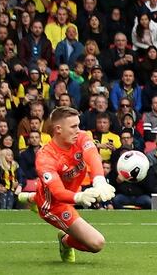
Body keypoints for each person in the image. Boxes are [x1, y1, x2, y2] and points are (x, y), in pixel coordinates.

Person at [17, 107, 115, 262]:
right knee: (97, 243)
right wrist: (79, 197)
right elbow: (57, 192)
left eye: (79, 125)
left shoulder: (81, 137)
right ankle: (64, 241)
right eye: (73, 127)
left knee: (45, 190)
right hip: (54, 204)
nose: (79, 130)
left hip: (67, 192)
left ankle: (33, 197)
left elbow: (92, 156)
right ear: (58, 129)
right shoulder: (45, 157)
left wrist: (99, 180)